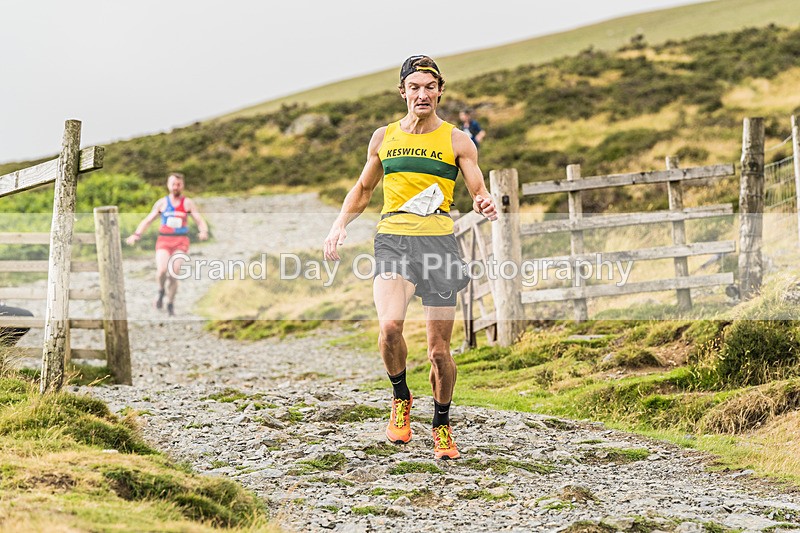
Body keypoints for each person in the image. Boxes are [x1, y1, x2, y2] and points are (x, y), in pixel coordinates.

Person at [323, 55, 497, 459]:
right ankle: (401, 397)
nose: (422, 94)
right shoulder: (383, 137)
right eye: (414, 87)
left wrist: (483, 201)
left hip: (439, 245)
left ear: (439, 91)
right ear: (403, 92)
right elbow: (364, 189)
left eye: (429, 87)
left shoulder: (458, 140)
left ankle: (441, 424)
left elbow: (477, 187)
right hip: (393, 241)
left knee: (439, 350)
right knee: (389, 328)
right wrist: (339, 225)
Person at [125, 172, 209, 316]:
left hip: (181, 241)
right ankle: (160, 290)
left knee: (173, 273)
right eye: (173, 184)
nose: (176, 187)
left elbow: (199, 219)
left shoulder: (187, 203)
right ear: (168, 185)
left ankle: (170, 302)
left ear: (183, 185)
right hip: (164, 240)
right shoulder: (162, 203)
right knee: (162, 270)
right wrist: (136, 235)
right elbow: (148, 220)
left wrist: (203, 231)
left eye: (179, 184)